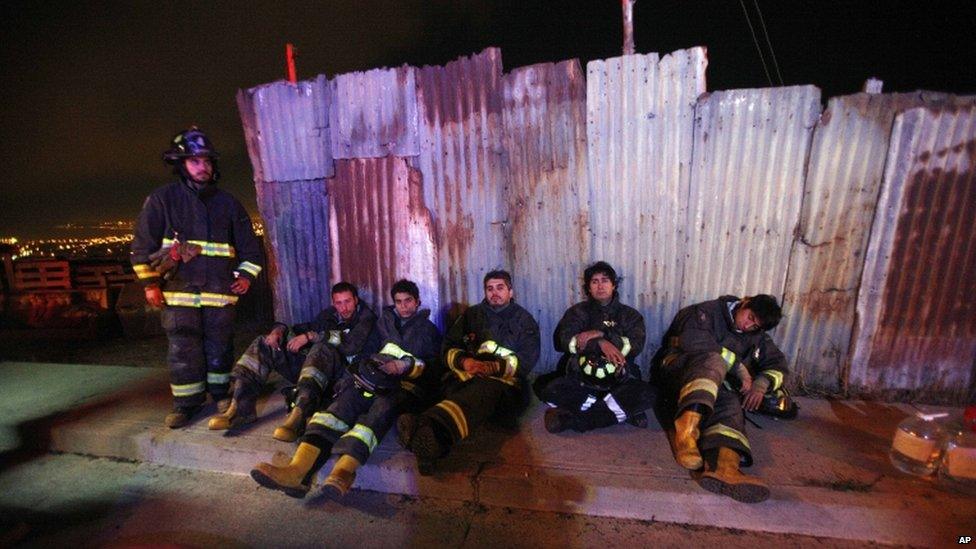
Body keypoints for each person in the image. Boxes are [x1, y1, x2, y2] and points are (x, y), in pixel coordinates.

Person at [250, 279, 442, 499]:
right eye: (398, 302)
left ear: (418, 302)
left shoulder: (429, 331)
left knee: (376, 415)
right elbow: (364, 351)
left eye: (408, 301)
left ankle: (343, 471)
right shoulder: (384, 323)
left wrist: (405, 365)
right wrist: (351, 376)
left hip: (403, 386)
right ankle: (297, 470)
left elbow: (433, 369)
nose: (404, 306)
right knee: (336, 410)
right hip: (372, 378)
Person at [130, 127, 262, 428]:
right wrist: (150, 283)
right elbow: (141, 247)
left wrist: (245, 276)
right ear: (181, 165)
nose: (203, 167)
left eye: (207, 161)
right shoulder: (162, 200)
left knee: (220, 346)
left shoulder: (228, 204)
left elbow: (251, 250)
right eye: (195, 161)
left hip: (220, 293)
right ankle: (186, 404)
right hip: (177, 293)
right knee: (183, 348)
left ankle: (220, 394)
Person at [397, 270, 540, 475]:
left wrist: (492, 367)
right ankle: (430, 448)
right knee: (451, 390)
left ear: (511, 291)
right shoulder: (472, 315)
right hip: (465, 379)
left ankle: (427, 424)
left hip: (505, 389)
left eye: (500, 288)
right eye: (489, 289)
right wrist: (464, 361)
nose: (494, 293)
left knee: (482, 391)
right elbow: (448, 347)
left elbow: (527, 360)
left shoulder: (524, 321)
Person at [651, 294, 788, 503]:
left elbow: (779, 365)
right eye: (749, 317)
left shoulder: (756, 335)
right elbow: (691, 341)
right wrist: (738, 366)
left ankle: (724, 468)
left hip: (711, 383)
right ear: (744, 302)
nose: (748, 326)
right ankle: (686, 435)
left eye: (755, 326)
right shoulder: (705, 313)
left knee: (730, 403)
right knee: (715, 360)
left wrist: (761, 385)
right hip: (675, 373)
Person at [207, 281, 377, 440]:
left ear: (356, 300)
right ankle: (241, 408)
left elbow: (351, 345)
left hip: (339, 379)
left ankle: (300, 415)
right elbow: (299, 328)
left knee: (321, 347)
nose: (344, 308)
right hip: (314, 373)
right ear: (333, 303)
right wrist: (278, 331)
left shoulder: (366, 318)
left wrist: (311, 337)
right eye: (339, 303)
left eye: (347, 301)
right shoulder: (329, 316)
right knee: (264, 343)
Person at [537, 261, 654, 433]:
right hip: (581, 379)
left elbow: (636, 345)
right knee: (549, 390)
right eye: (594, 281)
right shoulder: (577, 312)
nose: (600, 286)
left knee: (647, 394)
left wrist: (604, 335)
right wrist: (598, 343)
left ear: (614, 285)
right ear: (588, 288)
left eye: (605, 280)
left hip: (620, 380)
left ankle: (574, 420)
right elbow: (563, 340)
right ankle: (620, 411)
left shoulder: (630, 315)